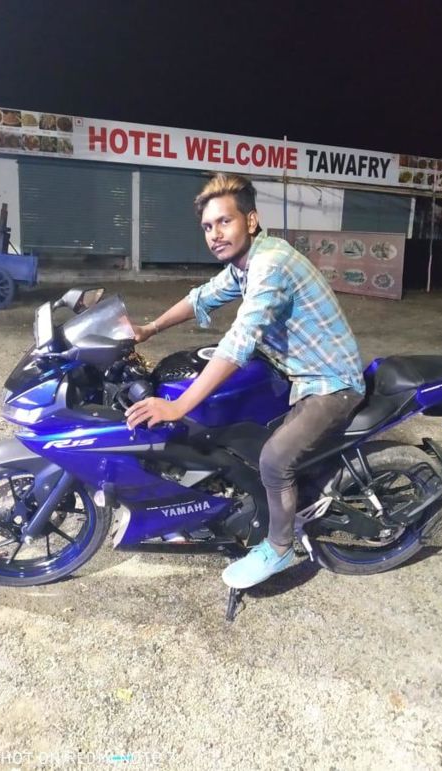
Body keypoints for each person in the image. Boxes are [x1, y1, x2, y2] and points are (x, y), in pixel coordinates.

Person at [126, 173, 365, 589]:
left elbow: (239, 341)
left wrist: (178, 406)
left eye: (225, 222)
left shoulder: (271, 265)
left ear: (250, 221)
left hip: (329, 382)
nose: (215, 234)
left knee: (274, 460)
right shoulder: (244, 264)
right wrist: (149, 328)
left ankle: (280, 546)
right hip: (290, 369)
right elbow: (202, 296)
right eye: (207, 226)